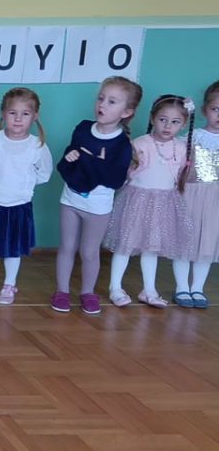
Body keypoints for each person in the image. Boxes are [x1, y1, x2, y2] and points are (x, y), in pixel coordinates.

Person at [52, 76, 142, 314]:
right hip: (70, 200)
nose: (102, 104)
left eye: (112, 101)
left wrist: (92, 162)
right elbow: (65, 167)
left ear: (126, 112)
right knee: (67, 247)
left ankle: (87, 292)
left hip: (98, 208)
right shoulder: (83, 128)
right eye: (101, 98)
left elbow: (114, 179)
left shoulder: (121, 144)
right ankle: (61, 291)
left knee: (89, 252)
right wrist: (71, 157)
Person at [105, 94, 195, 308]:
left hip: (164, 203)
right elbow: (127, 174)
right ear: (153, 118)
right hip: (138, 200)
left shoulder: (181, 148)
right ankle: (115, 287)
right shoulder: (140, 144)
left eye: (175, 122)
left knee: (151, 248)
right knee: (125, 245)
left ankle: (149, 289)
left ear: (183, 125)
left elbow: (181, 175)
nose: (168, 126)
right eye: (163, 119)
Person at [0, 88, 54, 305]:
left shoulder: (37, 146)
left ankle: (9, 284)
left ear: (34, 116)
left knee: (13, 250)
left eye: (25, 114)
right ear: (3, 114)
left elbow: (44, 173)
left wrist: (23, 184)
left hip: (18, 204)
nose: (18, 119)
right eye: (13, 113)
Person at [173, 80, 219, 309]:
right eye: (215, 109)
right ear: (204, 110)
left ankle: (197, 287)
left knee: (207, 243)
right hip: (190, 195)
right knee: (185, 241)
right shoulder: (194, 136)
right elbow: (175, 156)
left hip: (214, 200)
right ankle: (182, 286)